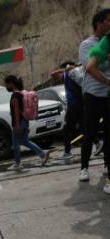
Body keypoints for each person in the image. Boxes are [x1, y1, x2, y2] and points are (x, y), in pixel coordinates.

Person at [79, 8, 110, 184]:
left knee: (109, 131)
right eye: (108, 20)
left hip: (108, 95)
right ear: (99, 24)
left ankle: (107, 164)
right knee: (89, 132)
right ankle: (84, 167)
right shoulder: (86, 44)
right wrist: (106, 80)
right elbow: (91, 68)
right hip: (93, 94)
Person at [4, 75, 50, 171]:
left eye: (7, 84)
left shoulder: (15, 95)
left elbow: (16, 110)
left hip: (19, 122)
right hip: (25, 121)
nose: (6, 86)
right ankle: (42, 154)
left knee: (15, 143)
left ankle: (17, 163)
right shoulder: (22, 94)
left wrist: (16, 125)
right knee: (25, 141)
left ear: (11, 84)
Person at [51, 61, 83, 161]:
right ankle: (97, 142)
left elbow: (53, 74)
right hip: (79, 104)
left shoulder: (68, 74)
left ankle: (67, 152)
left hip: (73, 106)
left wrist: (67, 69)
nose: (58, 76)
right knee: (83, 127)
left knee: (66, 129)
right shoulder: (76, 74)